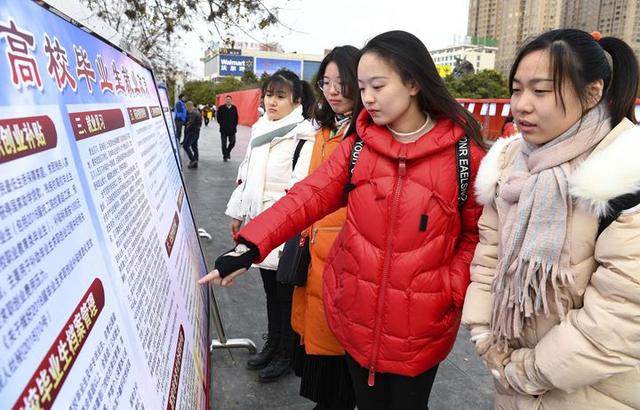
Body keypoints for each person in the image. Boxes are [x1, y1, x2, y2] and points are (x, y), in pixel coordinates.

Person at [200, 31, 486, 409]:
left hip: (421, 329)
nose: (367, 97)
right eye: (363, 86)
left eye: (378, 85)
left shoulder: (465, 157)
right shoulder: (359, 147)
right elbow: (308, 196)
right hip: (355, 316)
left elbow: (477, 235)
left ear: (414, 82)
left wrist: (447, 288)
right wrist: (250, 246)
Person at [462, 29, 640, 409]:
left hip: (590, 392)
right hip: (511, 383)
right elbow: (489, 255)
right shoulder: (510, 164)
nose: (521, 105)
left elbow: (621, 317)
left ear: (592, 93)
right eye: (516, 89)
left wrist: (527, 372)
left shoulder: (624, 177)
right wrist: (482, 336)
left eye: (540, 91)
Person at [224, 69, 316, 383]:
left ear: (297, 100)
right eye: (269, 94)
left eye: (280, 96)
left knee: (285, 293)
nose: (272, 102)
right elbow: (246, 174)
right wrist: (239, 213)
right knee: (269, 291)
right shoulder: (262, 129)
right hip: (260, 224)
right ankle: (273, 342)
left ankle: (287, 354)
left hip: (285, 227)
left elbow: (300, 188)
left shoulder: (304, 135)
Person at [289, 45, 361, 410]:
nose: (333, 91)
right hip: (315, 247)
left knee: (338, 348)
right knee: (318, 345)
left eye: (342, 82)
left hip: (345, 256)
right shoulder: (327, 129)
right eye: (326, 82)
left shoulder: (365, 135)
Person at [217, 95, 239, 162]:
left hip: (232, 129)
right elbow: (218, 118)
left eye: (229, 99)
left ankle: (227, 152)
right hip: (223, 129)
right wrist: (222, 124)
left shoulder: (234, 108)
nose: (228, 100)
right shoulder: (221, 108)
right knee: (223, 144)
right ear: (225, 100)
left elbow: (236, 117)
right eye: (227, 99)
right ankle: (225, 156)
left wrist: (235, 125)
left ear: (231, 100)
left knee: (232, 142)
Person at [183, 101, 202, 169]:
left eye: (187, 108)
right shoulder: (196, 112)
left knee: (185, 146)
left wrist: (187, 126)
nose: (186, 109)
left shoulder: (194, 113)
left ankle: (193, 160)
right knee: (194, 146)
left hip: (192, 132)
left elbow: (191, 124)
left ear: (190, 106)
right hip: (196, 132)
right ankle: (195, 160)